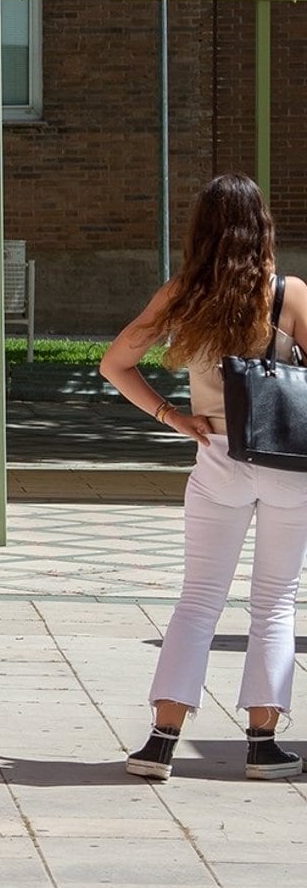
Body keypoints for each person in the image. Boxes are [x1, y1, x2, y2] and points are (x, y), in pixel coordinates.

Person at [100, 174, 307, 781]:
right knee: (274, 603)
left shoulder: (183, 294)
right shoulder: (289, 295)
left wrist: (172, 415)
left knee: (198, 601)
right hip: (290, 463)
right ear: (261, 226)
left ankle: (161, 743)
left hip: (217, 454)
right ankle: (263, 748)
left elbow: (116, 364)